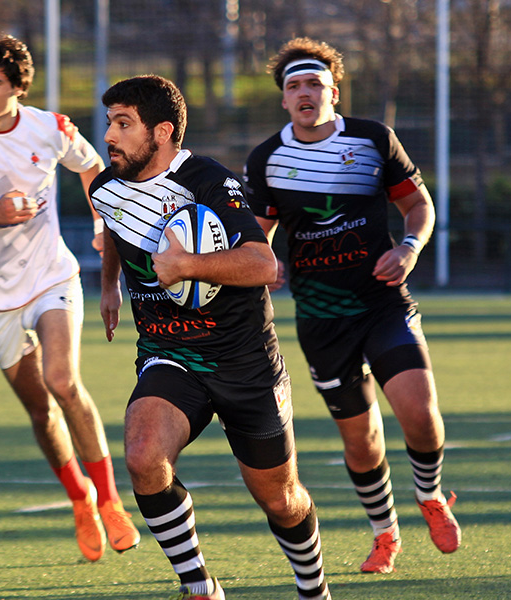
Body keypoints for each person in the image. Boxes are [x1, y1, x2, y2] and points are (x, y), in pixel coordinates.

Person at [93, 75, 331, 600]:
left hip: (245, 362)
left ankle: (313, 589)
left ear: (163, 132)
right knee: (142, 455)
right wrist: (109, 286)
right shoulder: (105, 186)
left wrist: (187, 266)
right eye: (109, 122)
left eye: (123, 123)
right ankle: (199, 586)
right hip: (169, 353)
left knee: (281, 500)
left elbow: (263, 263)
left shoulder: (207, 179)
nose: (109, 135)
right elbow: (112, 224)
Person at [0, 31, 139, 562]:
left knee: (62, 380)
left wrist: (101, 219)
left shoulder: (51, 126)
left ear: (18, 85)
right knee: (40, 412)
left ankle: (109, 500)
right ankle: (79, 498)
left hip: (50, 276)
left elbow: (91, 167)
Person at [242, 37, 461, 574]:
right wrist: (266, 266)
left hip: (382, 303)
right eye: (294, 85)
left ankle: (430, 496)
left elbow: (417, 205)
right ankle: (385, 534)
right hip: (320, 319)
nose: (304, 92)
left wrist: (409, 248)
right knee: (362, 443)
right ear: (284, 100)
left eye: (314, 83)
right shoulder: (266, 157)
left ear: (333, 91)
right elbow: (260, 234)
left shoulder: (371, 139)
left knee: (420, 414)